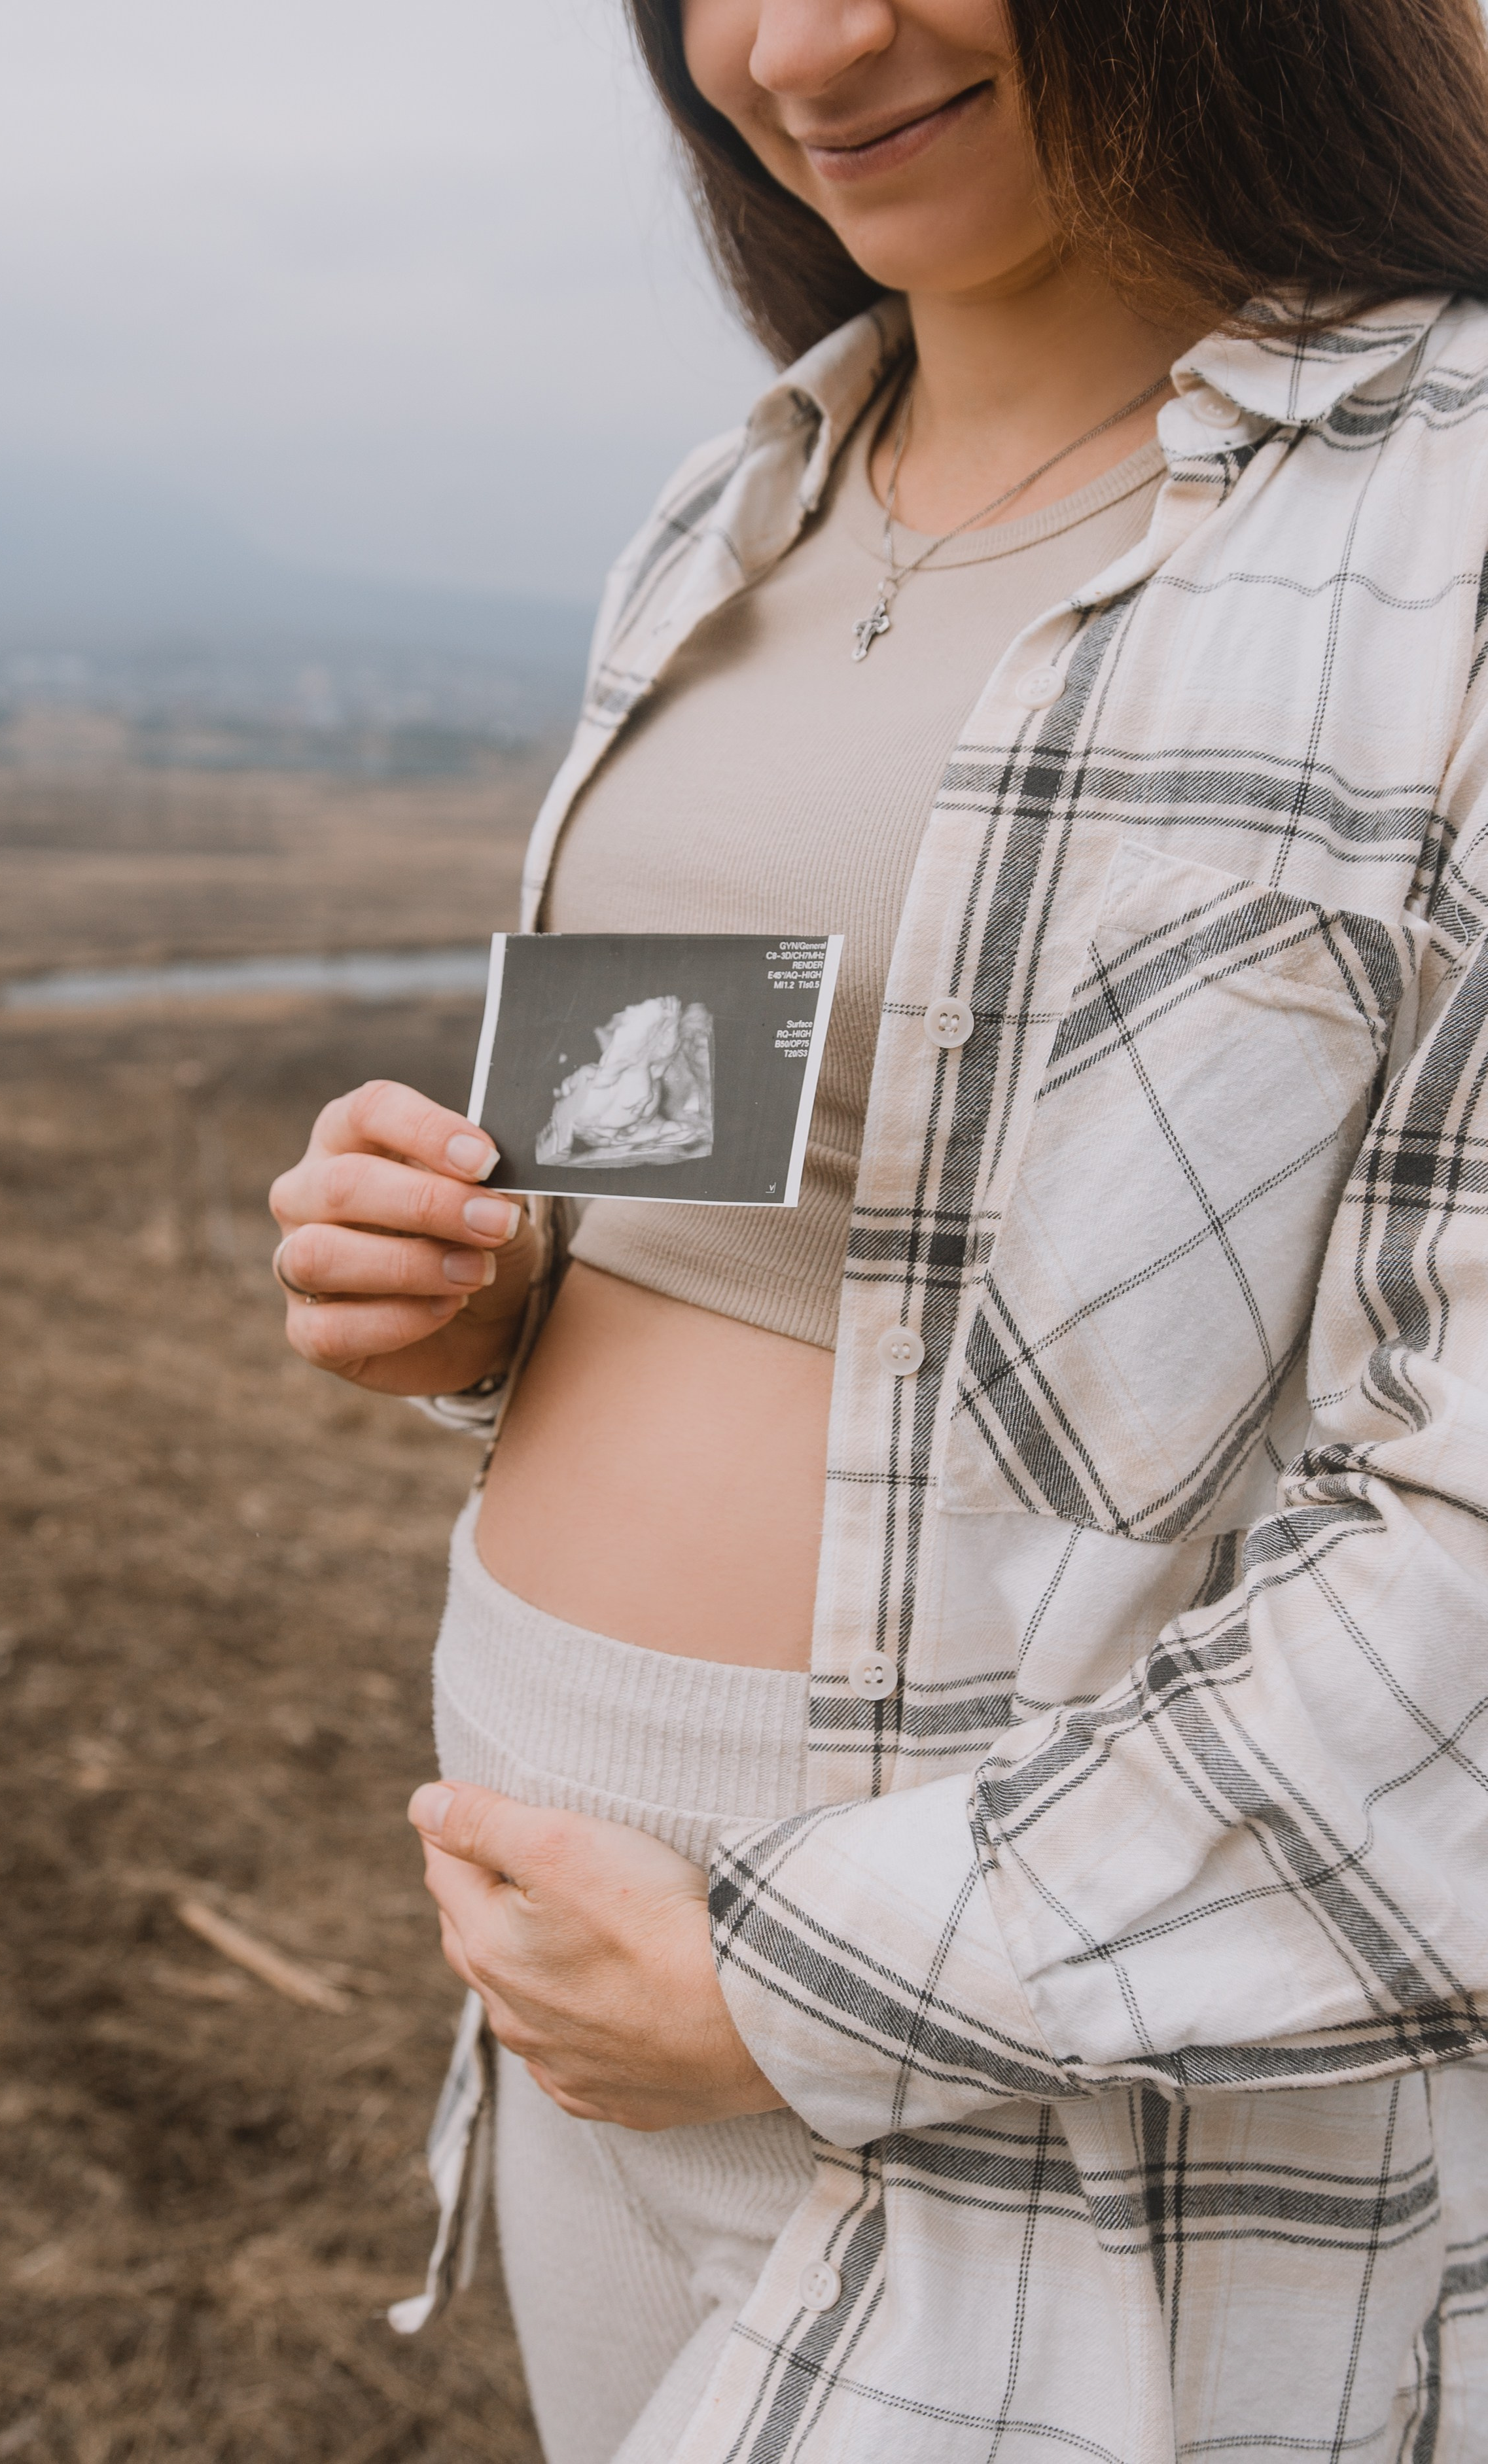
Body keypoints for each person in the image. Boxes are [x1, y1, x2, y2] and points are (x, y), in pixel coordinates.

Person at [267, 1, 1488, 2455]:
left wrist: (802, 1977)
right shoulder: (757, 494)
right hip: (565, 1935)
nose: (800, 43)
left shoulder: (1446, 526)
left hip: (1066, 2035)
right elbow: (786, 1211)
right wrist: (495, 1299)